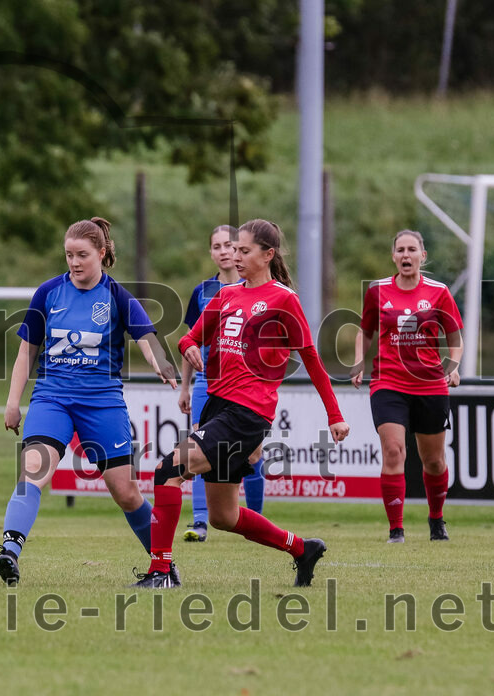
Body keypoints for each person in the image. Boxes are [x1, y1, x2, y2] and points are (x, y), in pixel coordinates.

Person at [132, 219, 350, 589]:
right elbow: (190, 338)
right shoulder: (227, 295)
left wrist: (335, 415)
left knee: (167, 470)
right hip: (218, 407)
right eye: (234, 250)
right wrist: (189, 349)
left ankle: (161, 571)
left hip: (247, 414)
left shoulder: (284, 300)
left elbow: (312, 359)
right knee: (223, 516)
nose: (235, 256)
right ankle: (302, 549)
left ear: (268, 255)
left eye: (244, 250)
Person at [0, 217, 178, 587]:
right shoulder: (48, 293)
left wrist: (164, 366)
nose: (74, 263)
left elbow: (147, 338)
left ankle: (164, 567)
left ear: (102, 253)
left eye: (82, 255)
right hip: (52, 399)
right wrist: (13, 402)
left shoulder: (117, 297)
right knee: (33, 470)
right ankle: (9, 552)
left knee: (126, 494)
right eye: (69, 255)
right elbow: (25, 354)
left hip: (102, 403)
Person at [351, 230, 462, 543]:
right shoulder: (378, 291)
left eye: (412, 249)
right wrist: (359, 360)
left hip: (430, 385)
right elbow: (365, 331)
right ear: (393, 256)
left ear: (422, 256)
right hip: (388, 382)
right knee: (393, 450)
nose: (406, 255)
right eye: (400, 250)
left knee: (434, 460)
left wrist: (452, 367)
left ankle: (436, 520)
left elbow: (455, 339)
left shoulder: (439, 292)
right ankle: (396, 530)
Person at [178, 225, 265, 543]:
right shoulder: (202, 292)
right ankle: (200, 521)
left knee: (253, 453)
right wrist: (185, 387)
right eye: (217, 246)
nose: (224, 251)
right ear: (211, 253)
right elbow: (190, 342)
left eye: (230, 245)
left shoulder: (258, 291)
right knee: (201, 447)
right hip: (206, 383)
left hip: (245, 385)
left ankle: (256, 519)